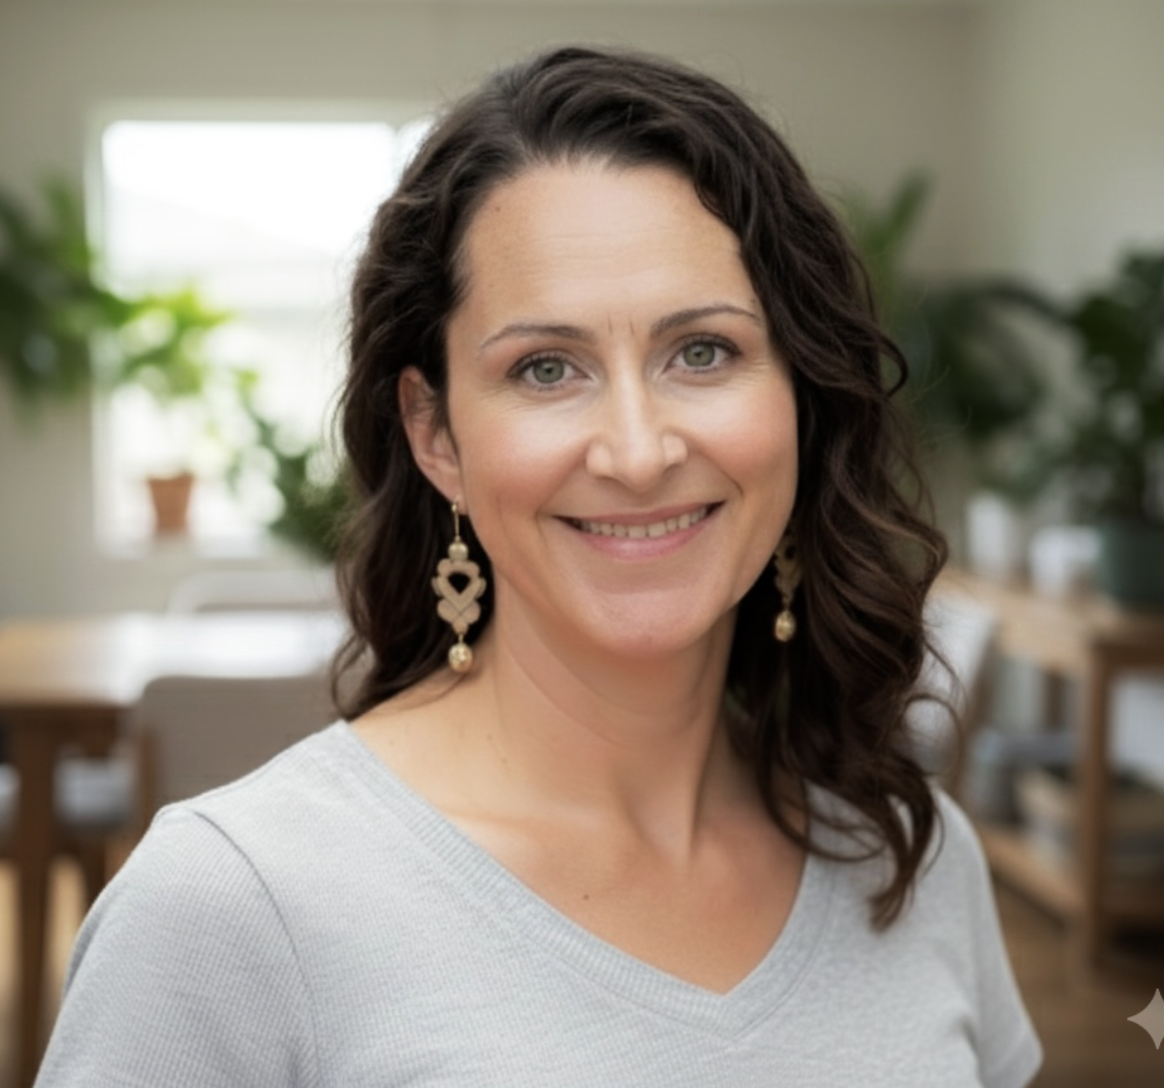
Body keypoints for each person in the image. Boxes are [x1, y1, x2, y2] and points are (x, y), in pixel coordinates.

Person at [36, 46, 1041, 1087]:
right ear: (436, 435)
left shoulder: (912, 853)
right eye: (545, 368)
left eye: (702, 350)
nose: (639, 448)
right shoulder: (228, 909)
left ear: (799, 396)